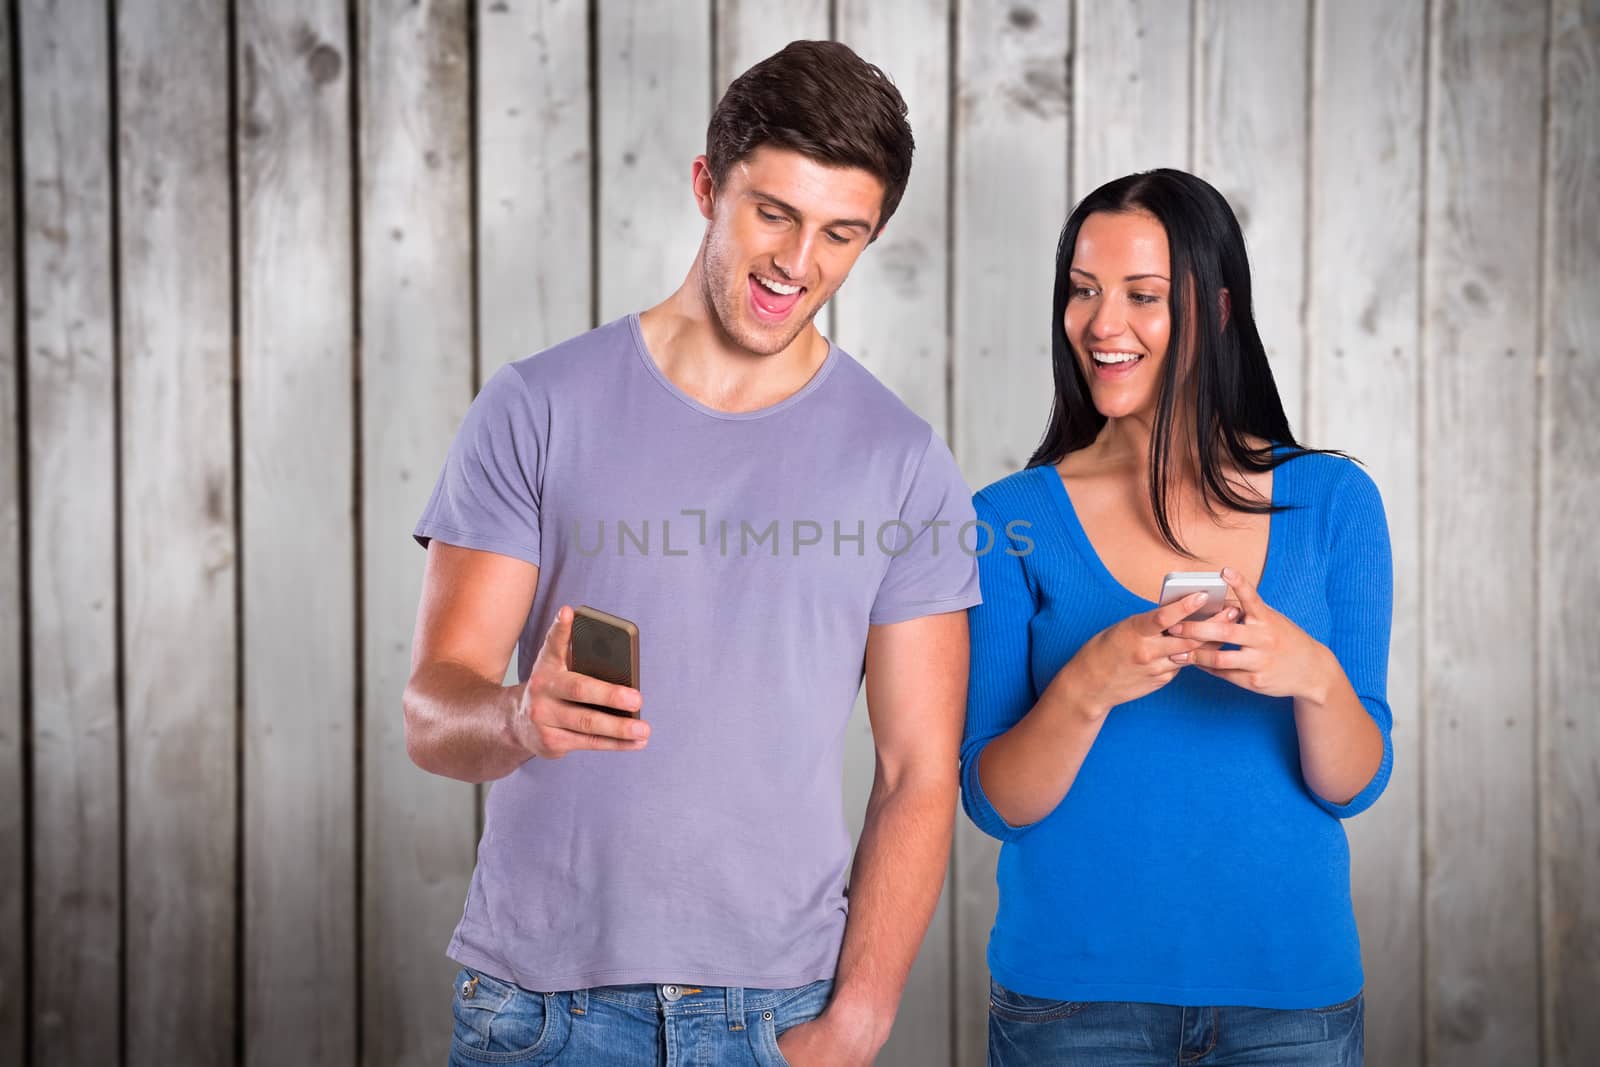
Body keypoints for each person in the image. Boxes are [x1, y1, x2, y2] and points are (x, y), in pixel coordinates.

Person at [404, 40, 981, 1067]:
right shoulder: (537, 407)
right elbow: (431, 709)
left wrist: (856, 1020)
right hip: (540, 1010)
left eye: (841, 233)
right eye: (775, 213)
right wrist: (515, 717)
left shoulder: (900, 460)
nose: (798, 263)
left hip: (777, 1013)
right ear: (707, 186)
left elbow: (915, 770)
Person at [960, 169, 1392, 1066]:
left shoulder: (1334, 502)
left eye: (1143, 296)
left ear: (1219, 310)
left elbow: (1353, 784)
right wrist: (1084, 686)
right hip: (1071, 1004)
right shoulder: (1009, 519)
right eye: (1083, 291)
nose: (1102, 324)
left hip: (1291, 1002)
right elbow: (993, 800)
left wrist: (1310, 675)